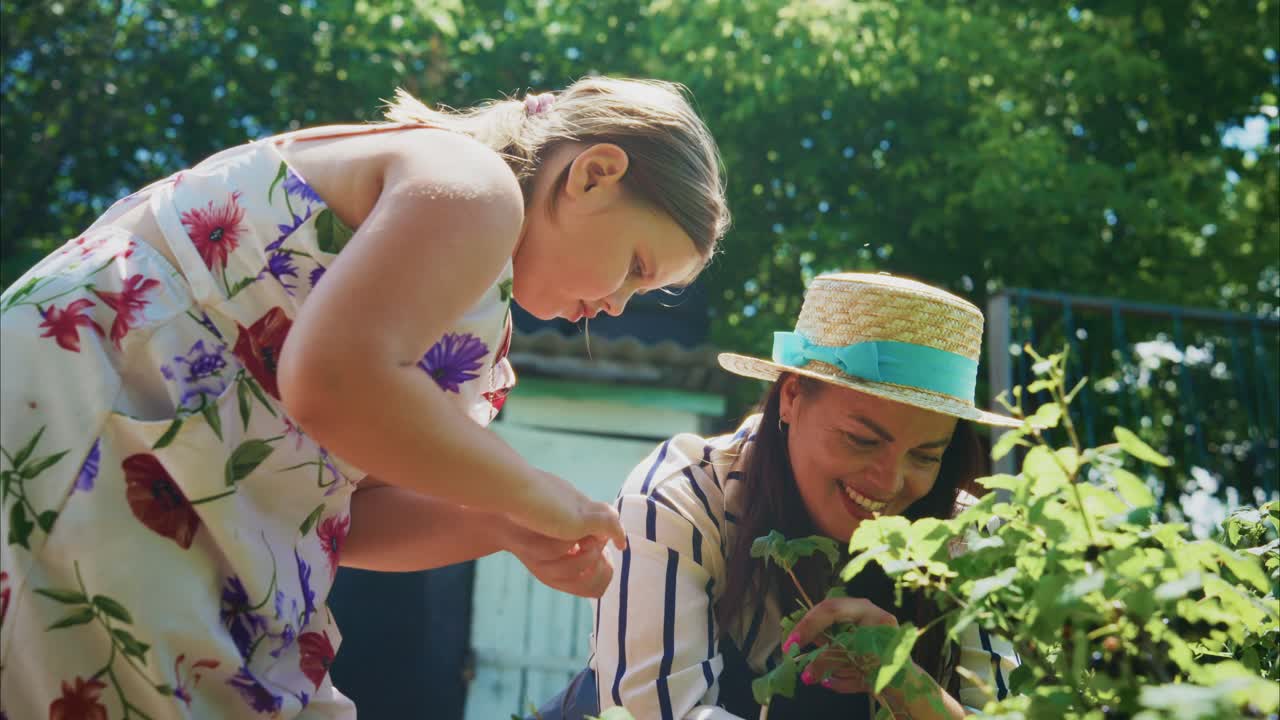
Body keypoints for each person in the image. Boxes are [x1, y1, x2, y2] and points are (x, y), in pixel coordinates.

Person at [0, 76, 729, 718]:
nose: (617, 305)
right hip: (87, 417)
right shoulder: (472, 186)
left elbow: (347, 512)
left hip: (160, 482)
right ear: (594, 175)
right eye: (635, 267)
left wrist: (503, 525)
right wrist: (534, 490)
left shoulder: (470, 299)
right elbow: (333, 381)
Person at [535, 272, 1021, 719]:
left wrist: (904, 679)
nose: (890, 482)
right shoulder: (681, 498)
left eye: (925, 457)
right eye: (862, 440)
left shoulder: (967, 541)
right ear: (790, 397)